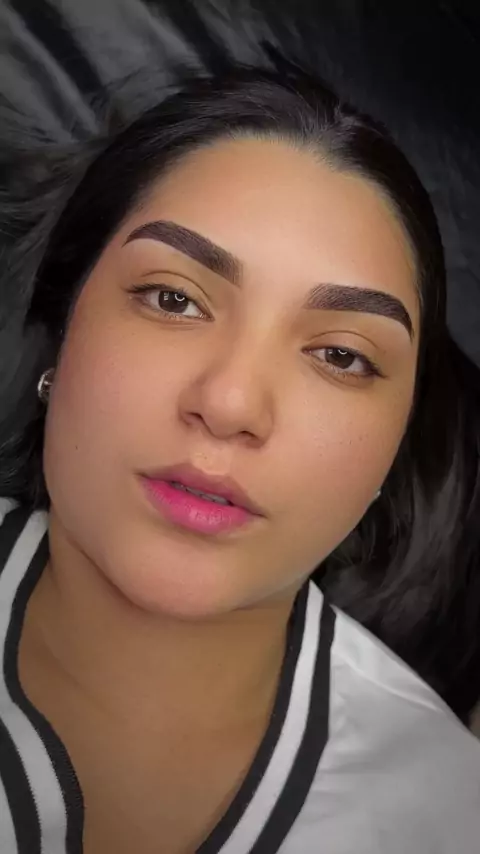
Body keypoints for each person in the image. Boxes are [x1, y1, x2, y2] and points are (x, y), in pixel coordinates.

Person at [0, 64, 479, 854]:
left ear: (394, 452)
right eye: (174, 299)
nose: (228, 405)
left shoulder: (449, 816)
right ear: (63, 320)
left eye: (340, 355)